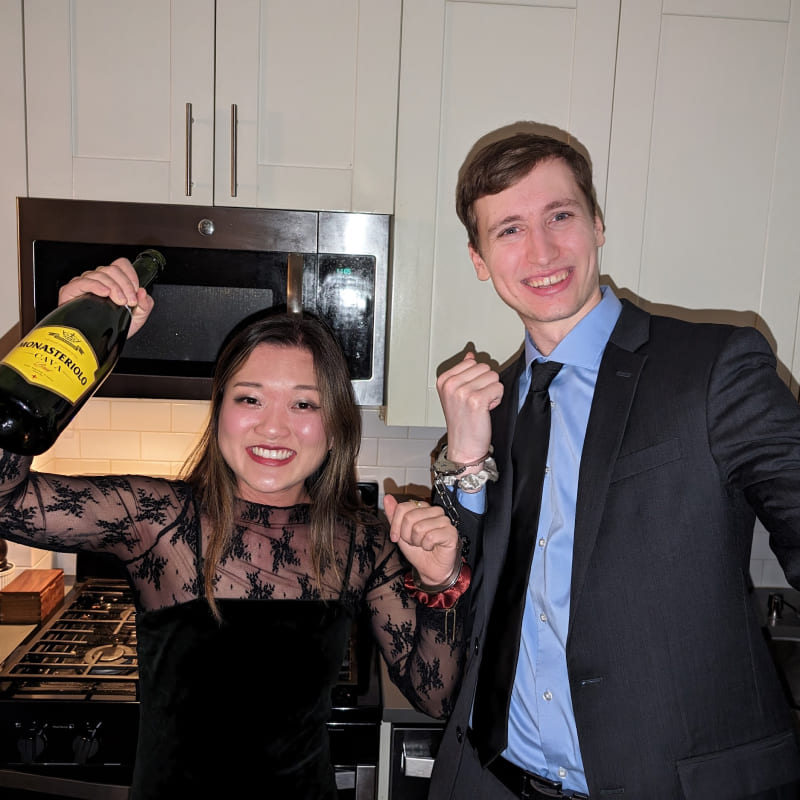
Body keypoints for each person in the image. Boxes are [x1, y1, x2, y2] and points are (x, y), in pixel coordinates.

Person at [0, 259, 469, 800]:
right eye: (250, 398)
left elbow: (434, 697)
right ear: (219, 407)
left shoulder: (362, 543)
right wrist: (58, 347)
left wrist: (441, 585)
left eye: (303, 403)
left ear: (336, 424)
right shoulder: (155, 520)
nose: (273, 426)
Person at [428, 127, 800, 800]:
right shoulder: (488, 410)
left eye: (560, 217)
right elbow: (463, 597)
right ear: (480, 258)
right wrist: (461, 464)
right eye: (508, 230)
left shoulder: (714, 370)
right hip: (493, 780)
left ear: (597, 223)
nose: (541, 251)